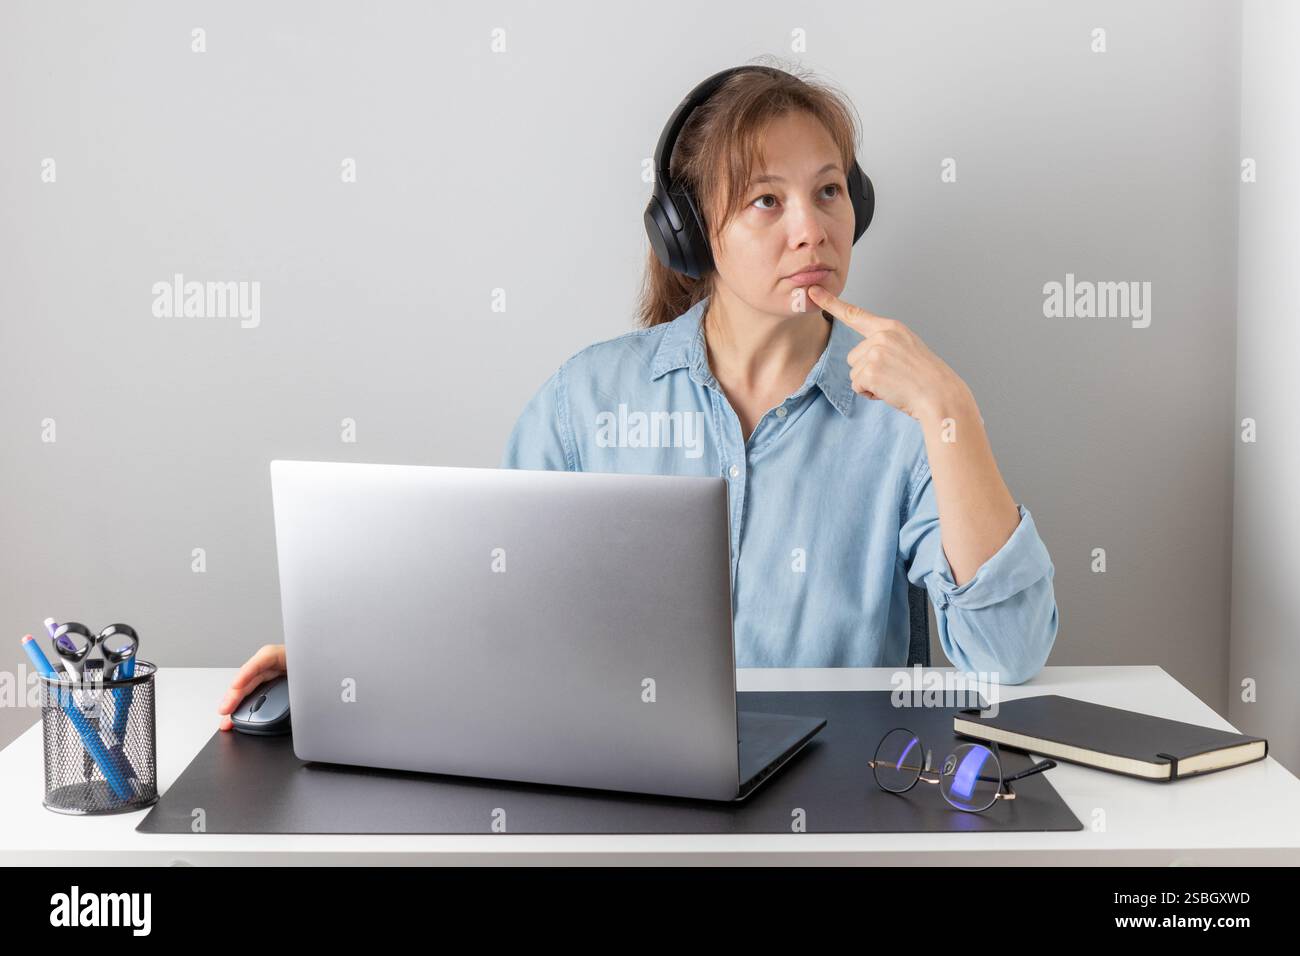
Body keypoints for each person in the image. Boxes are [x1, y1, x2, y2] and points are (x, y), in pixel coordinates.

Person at [217, 62, 1058, 731]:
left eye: (829, 190)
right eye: (768, 199)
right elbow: (495, 608)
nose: (812, 227)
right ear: (691, 230)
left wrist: (952, 412)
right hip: (629, 796)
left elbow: (1008, 654)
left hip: (842, 809)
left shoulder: (905, 413)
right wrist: (344, 663)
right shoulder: (588, 400)